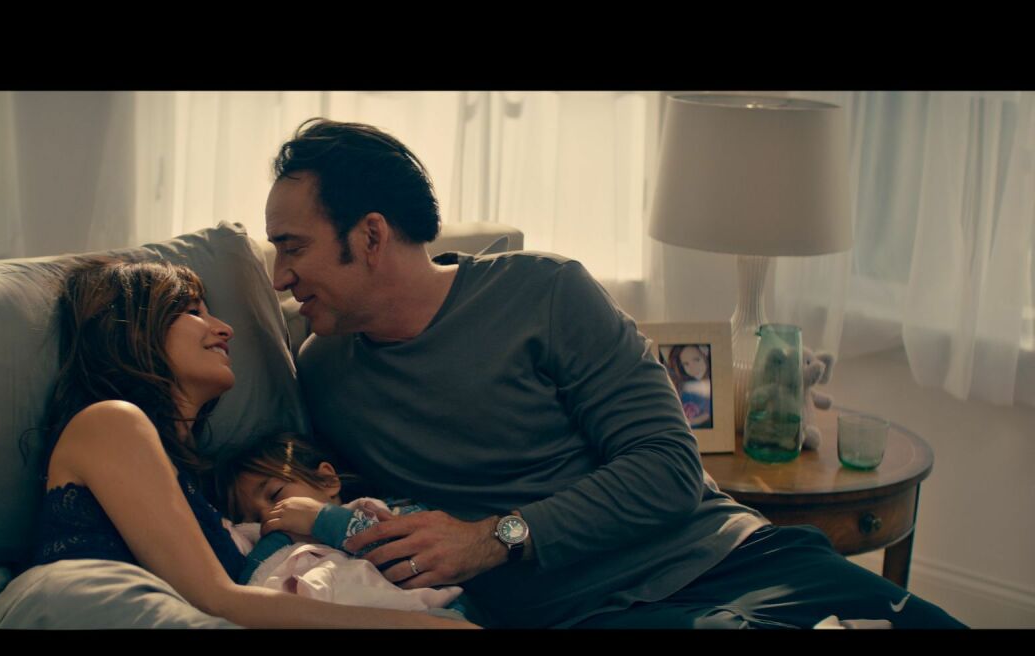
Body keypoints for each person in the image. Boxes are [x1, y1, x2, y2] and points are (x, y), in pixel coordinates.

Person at [266, 117, 967, 629]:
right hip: (593, 614)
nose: (279, 277)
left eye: (293, 247)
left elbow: (669, 466)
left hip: (727, 557)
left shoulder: (544, 293)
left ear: (371, 235)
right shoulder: (322, 375)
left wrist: (493, 537)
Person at [28, 257, 473, 629]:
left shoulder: (204, 495)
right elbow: (216, 600)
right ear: (136, 329)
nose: (224, 329)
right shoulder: (111, 422)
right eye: (194, 311)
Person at [210, 432, 470, 617]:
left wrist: (320, 519)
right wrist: (274, 540)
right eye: (254, 518)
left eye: (276, 494)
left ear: (327, 480)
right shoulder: (266, 547)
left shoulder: (386, 512)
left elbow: (414, 555)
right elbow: (250, 590)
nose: (268, 515)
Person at [665, 344, 712, 428]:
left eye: (697, 360)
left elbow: (707, 415)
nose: (693, 368)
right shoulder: (685, 387)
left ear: (705, 355)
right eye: (686, 364)